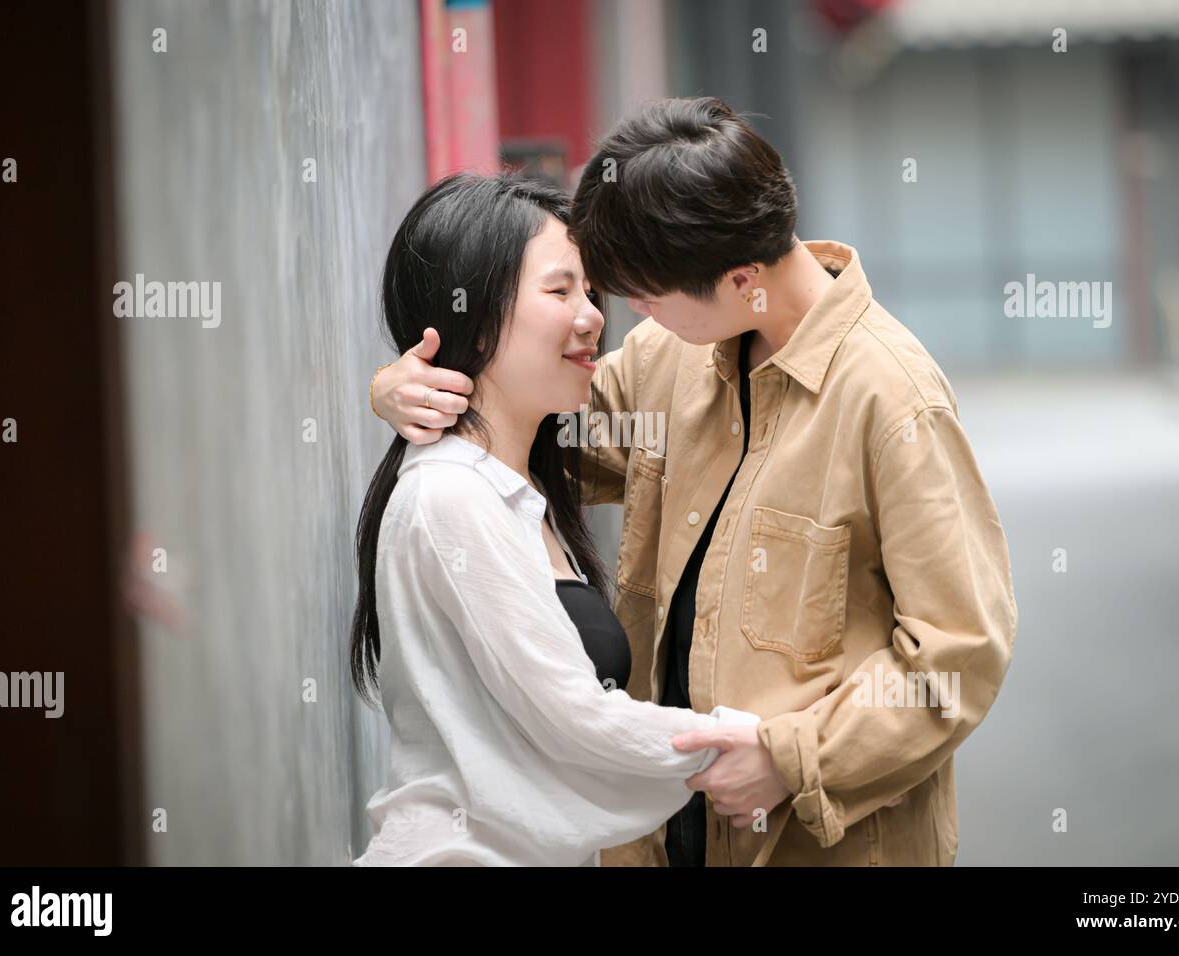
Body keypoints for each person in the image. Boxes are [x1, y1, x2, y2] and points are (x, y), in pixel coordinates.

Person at [371, 97, 1018, 867]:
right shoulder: (672, 360)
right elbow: (532, 424)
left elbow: (959, 657)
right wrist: (406, 388)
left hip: (808, 846)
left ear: (743, 280)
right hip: (662, 840)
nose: (621, 317)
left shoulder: (892, 401)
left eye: (643, 296)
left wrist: (794, 756)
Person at [349, 171, 761, 867]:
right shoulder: (451, 495)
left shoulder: (520, 484)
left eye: (588, 290)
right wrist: (756, 746)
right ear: (475, 319)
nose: (595, 313)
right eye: (559, 289)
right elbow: (577, 722)